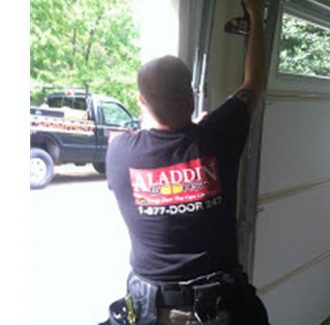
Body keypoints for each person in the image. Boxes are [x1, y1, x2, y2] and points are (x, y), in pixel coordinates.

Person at [102, 0, 268, 324]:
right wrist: (256, 18)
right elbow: (254, 84)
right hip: (218, 309)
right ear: (192, 97)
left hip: (151, 311)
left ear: (142, 101)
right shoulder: (219, 136)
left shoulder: (120, 152)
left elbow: (148, 141)